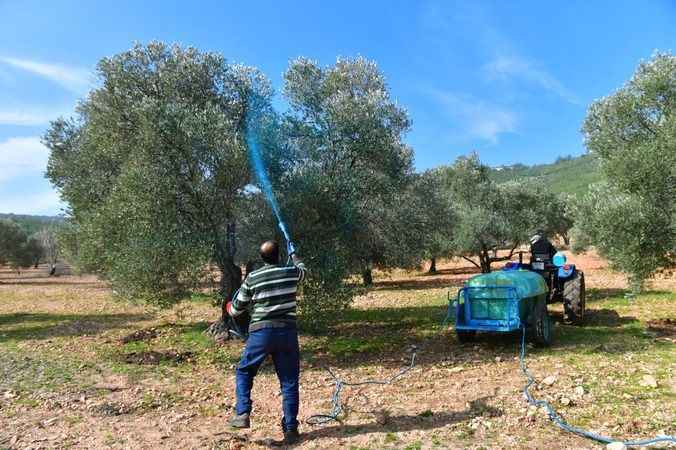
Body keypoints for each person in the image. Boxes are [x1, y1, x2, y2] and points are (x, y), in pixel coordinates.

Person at [226, 240, 306, 445]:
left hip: (261, 333)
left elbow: (236, 310)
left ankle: (242, 413)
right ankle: (290, 429)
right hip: (287, 332)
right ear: (279, 256)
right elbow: (303, 270)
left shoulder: (253, 277)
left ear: (261, 258)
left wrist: (228, 308)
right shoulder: (291, 273)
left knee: (244, 371)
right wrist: (294, 255)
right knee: (289, 380)